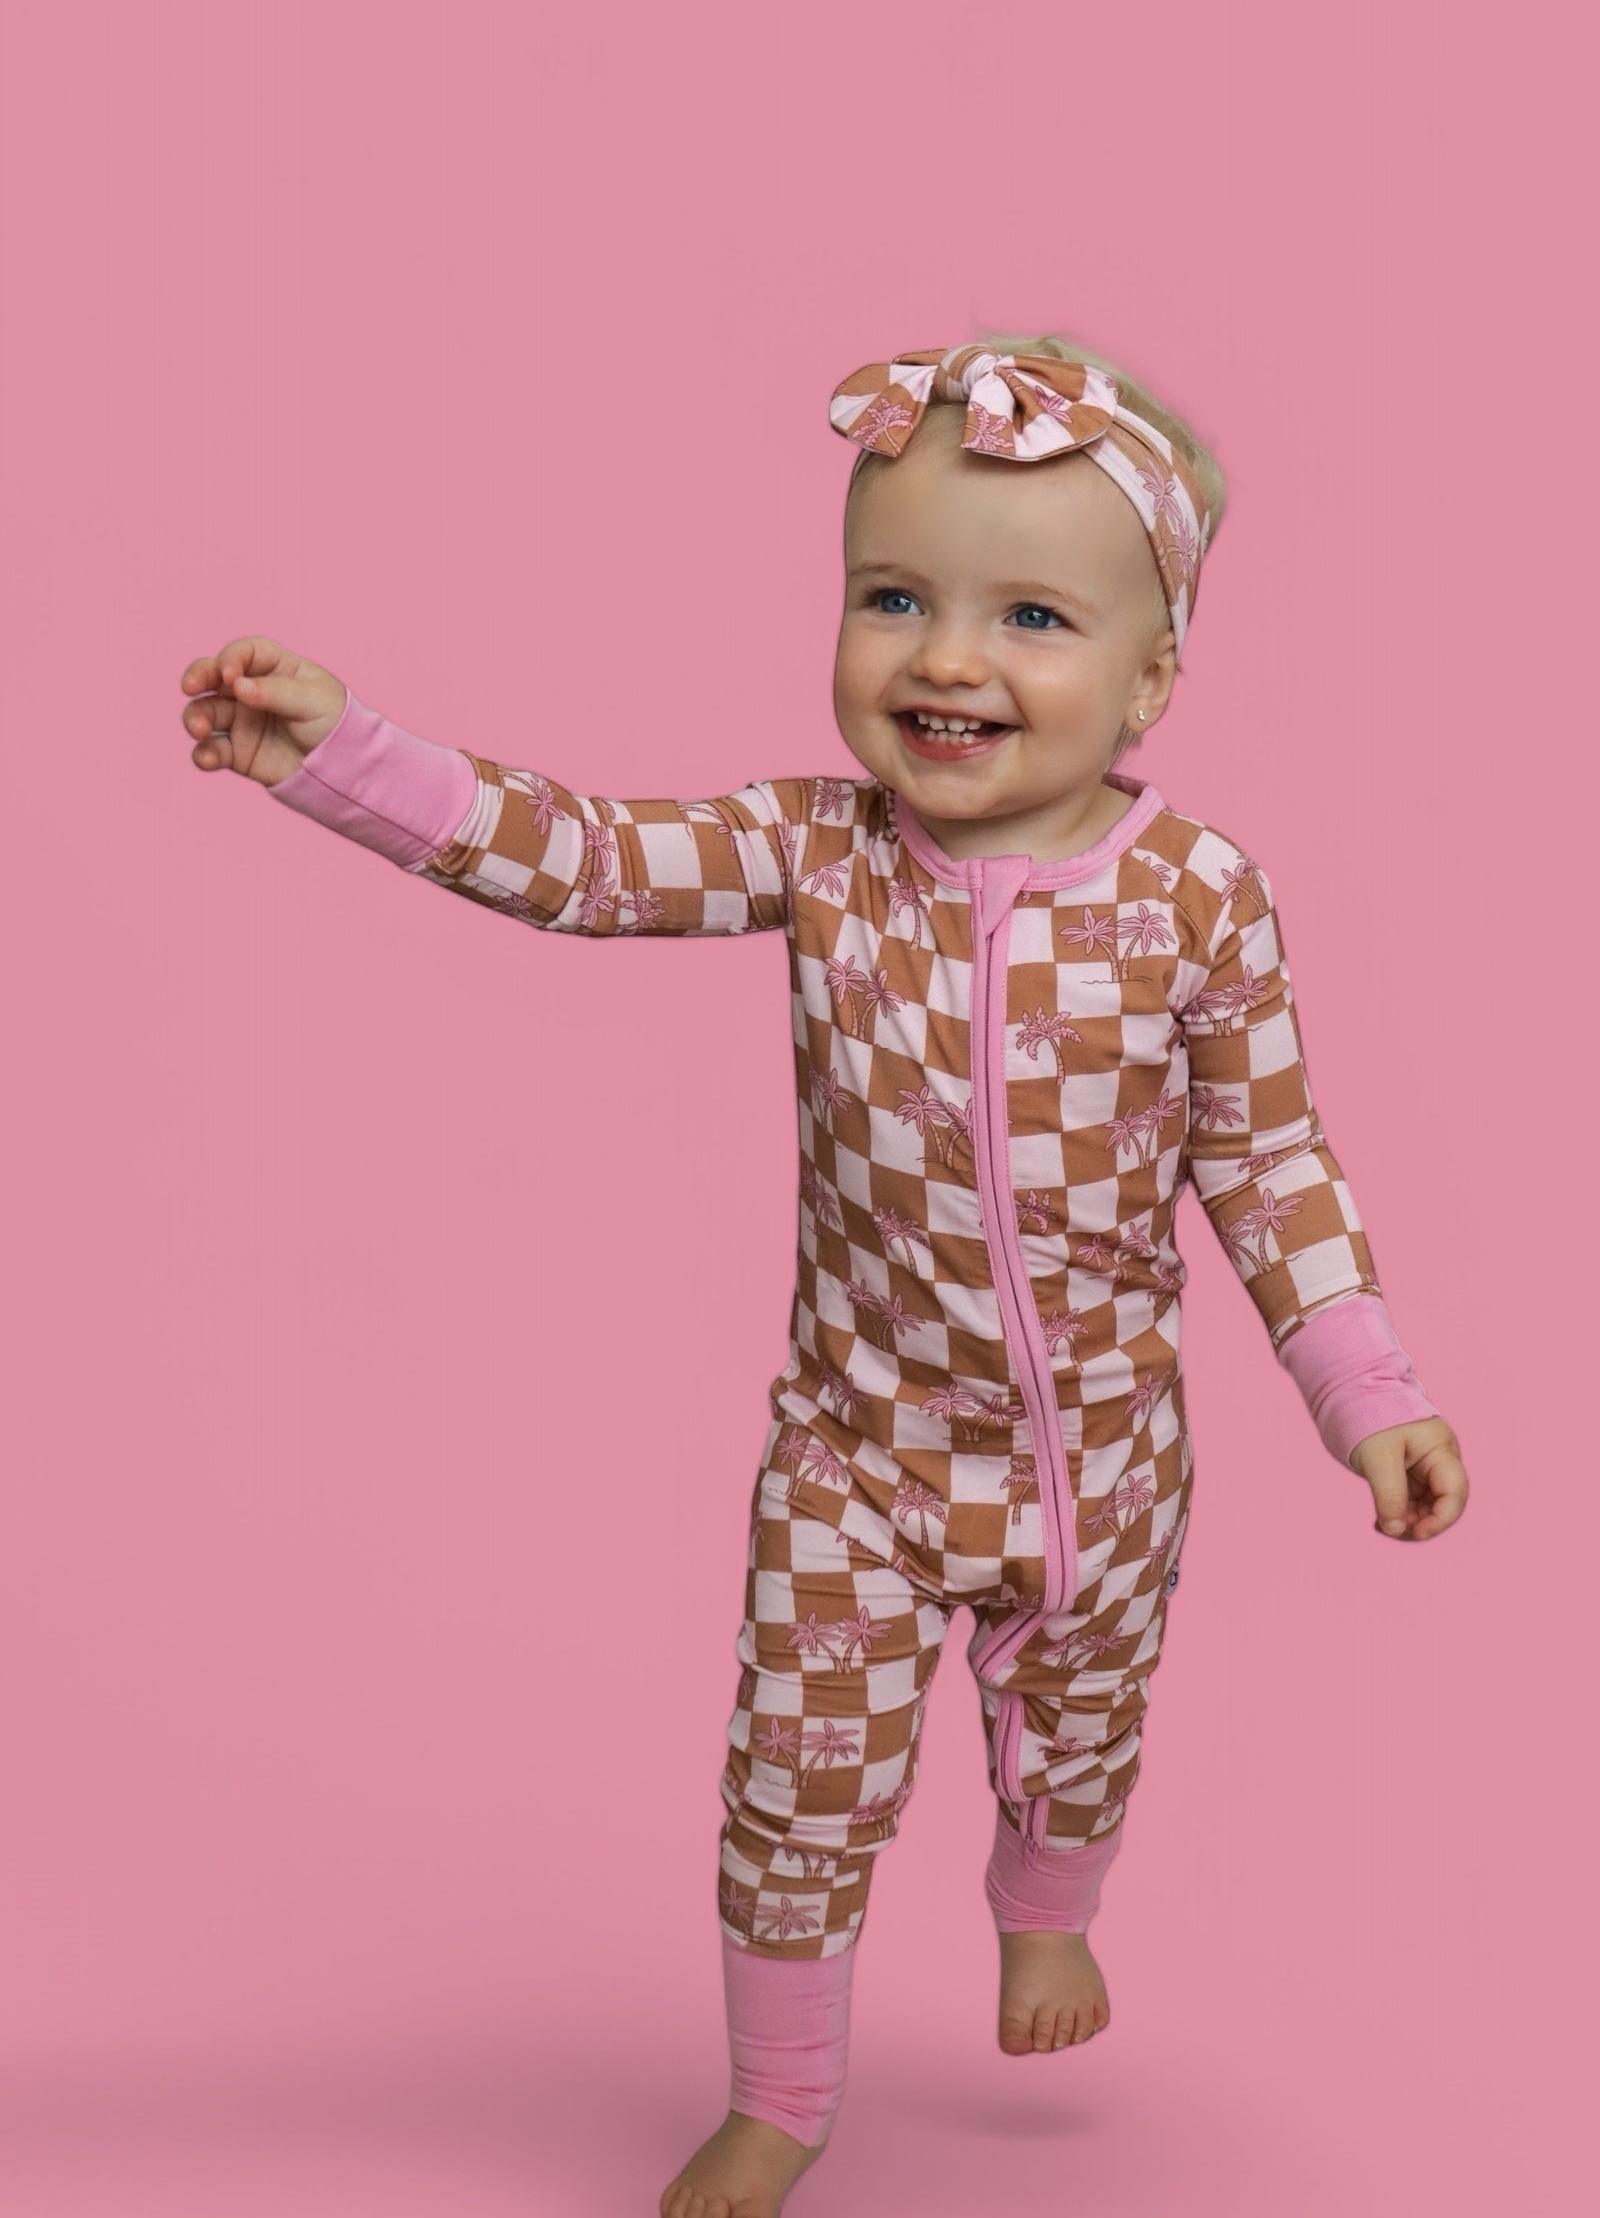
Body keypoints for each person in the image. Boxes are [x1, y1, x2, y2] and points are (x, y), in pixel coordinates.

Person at [179, 335, 1468, 2218]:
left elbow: (1268, 1163)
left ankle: (1045, 1913)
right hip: (855, 1461)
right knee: (793, 1789)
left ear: (1151, 677)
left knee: (1082, 1750)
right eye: (895, 597)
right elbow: (587, 858)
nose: (948, 658)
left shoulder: (1199, 896)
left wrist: (1371, 1394)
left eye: (1032, 616)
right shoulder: (817, 852)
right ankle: (780, 2099)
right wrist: (340, 753)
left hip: (1100, 1471)